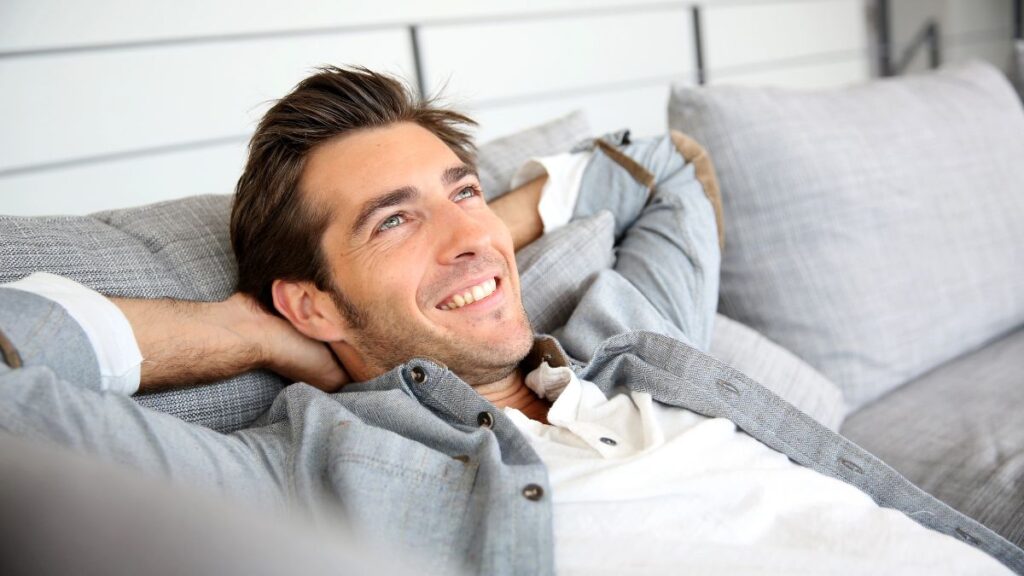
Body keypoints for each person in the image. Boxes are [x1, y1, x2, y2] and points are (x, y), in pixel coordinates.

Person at [0, 66, 1020, 576]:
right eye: (393, 219)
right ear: (310, 300)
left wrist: (483, 223)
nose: (468, 235)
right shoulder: (309, 468)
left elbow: (656, 167)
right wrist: (249, 337)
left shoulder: (620, 340)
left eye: (461, 188)